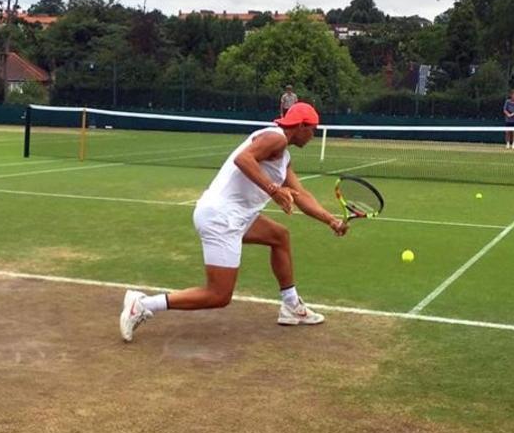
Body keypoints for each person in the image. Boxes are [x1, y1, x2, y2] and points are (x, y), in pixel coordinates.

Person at [120, 102, 348, 342]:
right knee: (218, 295)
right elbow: (243, 159)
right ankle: (143, 304)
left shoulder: (284, 156)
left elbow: (301, 196)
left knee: (279, 236)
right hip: (221, 218)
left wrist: (330, 220)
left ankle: (291, 307)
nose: (313, 135)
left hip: (237, 216)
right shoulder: (275, 138)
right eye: (312, 129)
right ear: (301, 126)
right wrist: (273, 190)